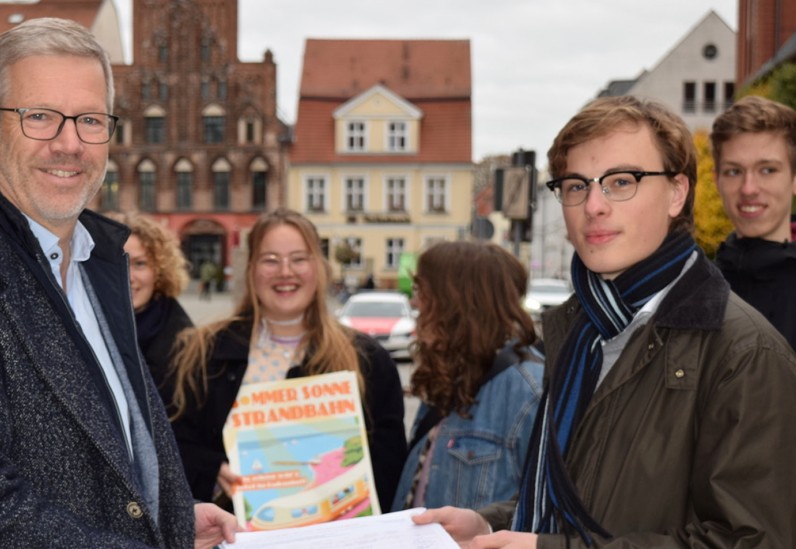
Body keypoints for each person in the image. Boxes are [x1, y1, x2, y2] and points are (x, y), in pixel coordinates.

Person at [0, 18, 235, 548]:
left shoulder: (93, 264)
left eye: (89, 120)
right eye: (40, 117)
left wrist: (169, 521)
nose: (69, 144)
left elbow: (103, 452)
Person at [414, 96, 796, 547]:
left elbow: (752, 541)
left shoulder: (744, 352)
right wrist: (495, 524)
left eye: (621, 181)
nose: (593, 205)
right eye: (576, 186)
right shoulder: (584, 330)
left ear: (677, 192)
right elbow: (585, 495)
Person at [167, 208, 407, 510]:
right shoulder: (202, 351)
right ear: (251, 269)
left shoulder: (368, 359)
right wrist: (211, 469)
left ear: (319, 267)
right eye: (270, 260)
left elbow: (389, 466)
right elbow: (171, 444)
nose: (285, 272)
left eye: (299, 259)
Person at [391, 241, 543, 512]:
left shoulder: (530, 390)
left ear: (455, 300)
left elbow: (546, 512)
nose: (414, 302)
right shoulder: (449, 373)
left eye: (421, 291)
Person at [710, 95, 796, 349]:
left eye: (767, 170)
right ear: (717, 181)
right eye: (734, 171)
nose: (749, 188)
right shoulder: (698, 290)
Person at [109, 212, 195, 390]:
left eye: (139, 264)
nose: (128, 276)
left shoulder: (186, 344)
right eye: (116, 264)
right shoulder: (77, 329)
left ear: (159, 271)